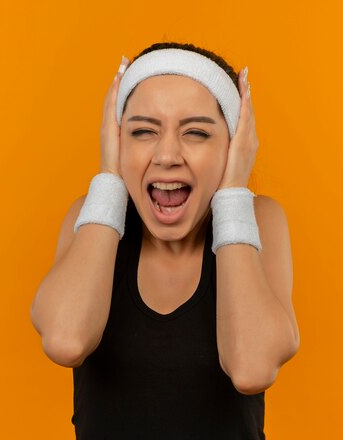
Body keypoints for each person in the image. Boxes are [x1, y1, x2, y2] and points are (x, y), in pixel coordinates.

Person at [30, 41, 299, 439]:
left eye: (196, 132)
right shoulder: (89, 218)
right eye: (142, 131)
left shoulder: (261, 220)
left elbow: (251, 368)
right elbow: (66, 341)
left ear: (233, 144)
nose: (167, 154)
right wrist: (108, 181)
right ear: (117, 139)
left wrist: (232, 192)